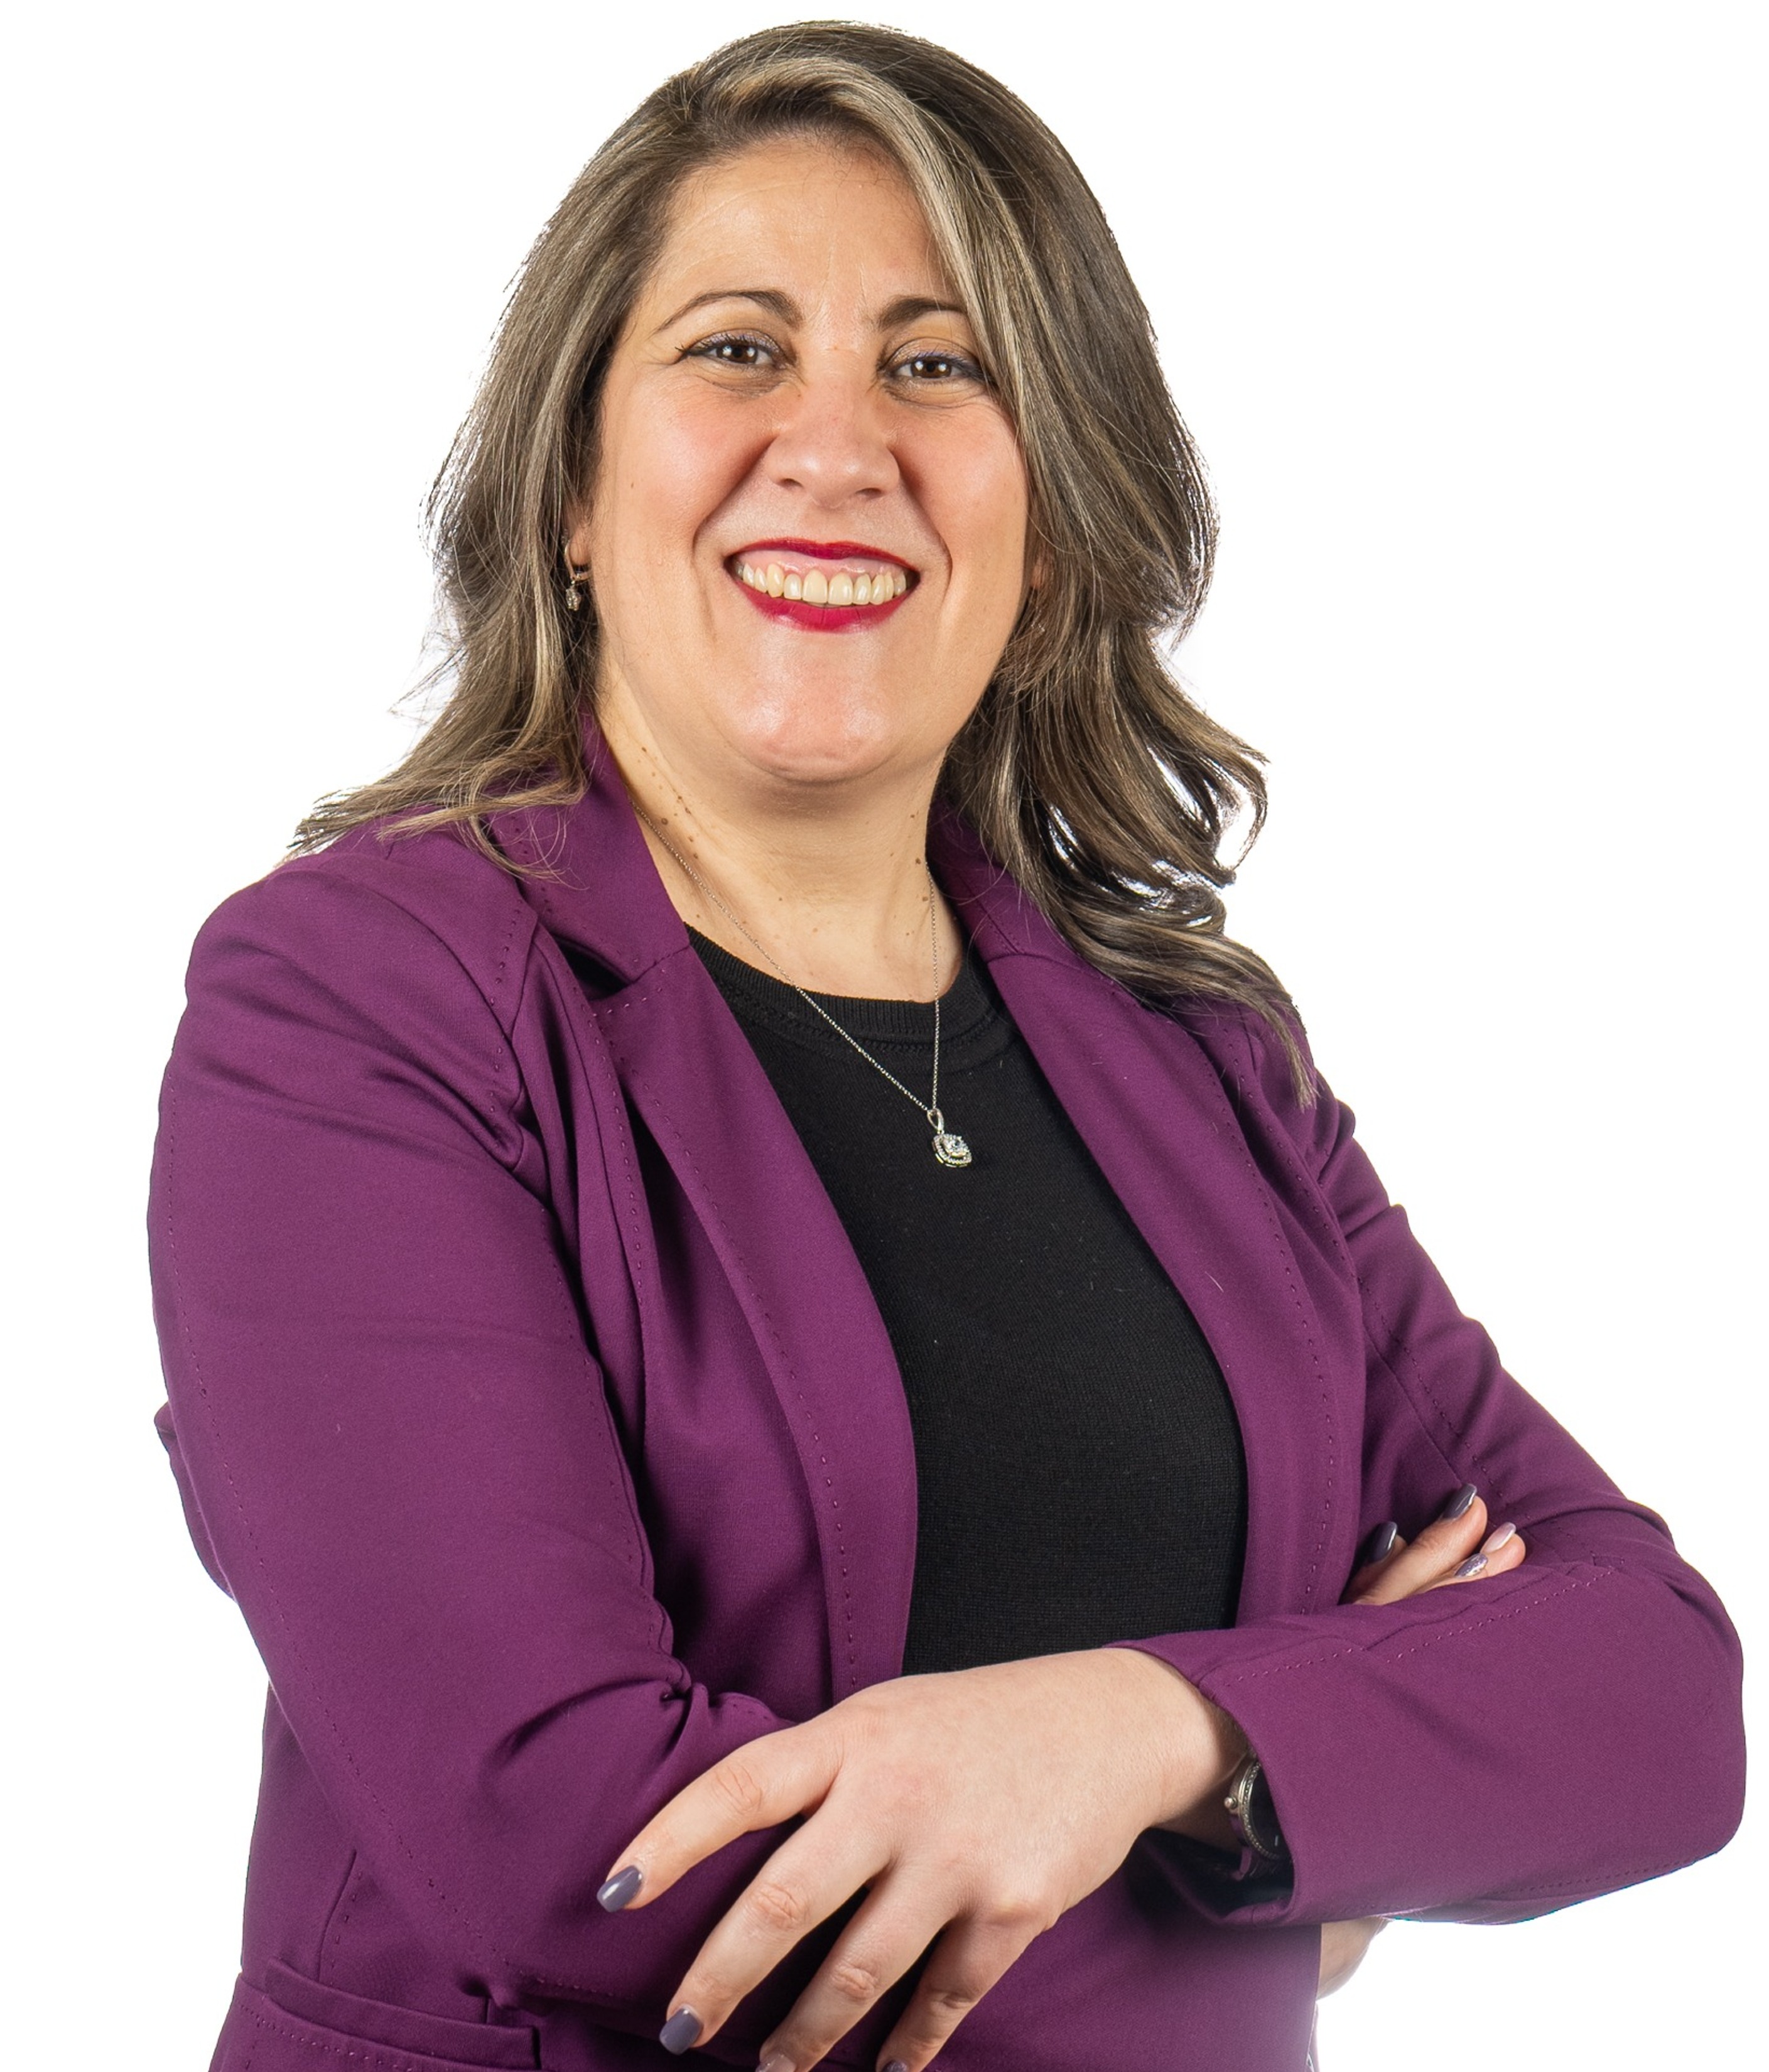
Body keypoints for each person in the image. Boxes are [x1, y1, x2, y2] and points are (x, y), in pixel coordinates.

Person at [147, 23, 1743, 2072]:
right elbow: (570, 1850)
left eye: (937, 364)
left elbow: (1655, 1699)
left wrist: (1146, 1735)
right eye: (736, 349)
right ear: (569, 490)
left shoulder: (1199, 1062)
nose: (835, 447)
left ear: (1050, 522)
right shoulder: (358, 1000)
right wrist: (1298, 1840)